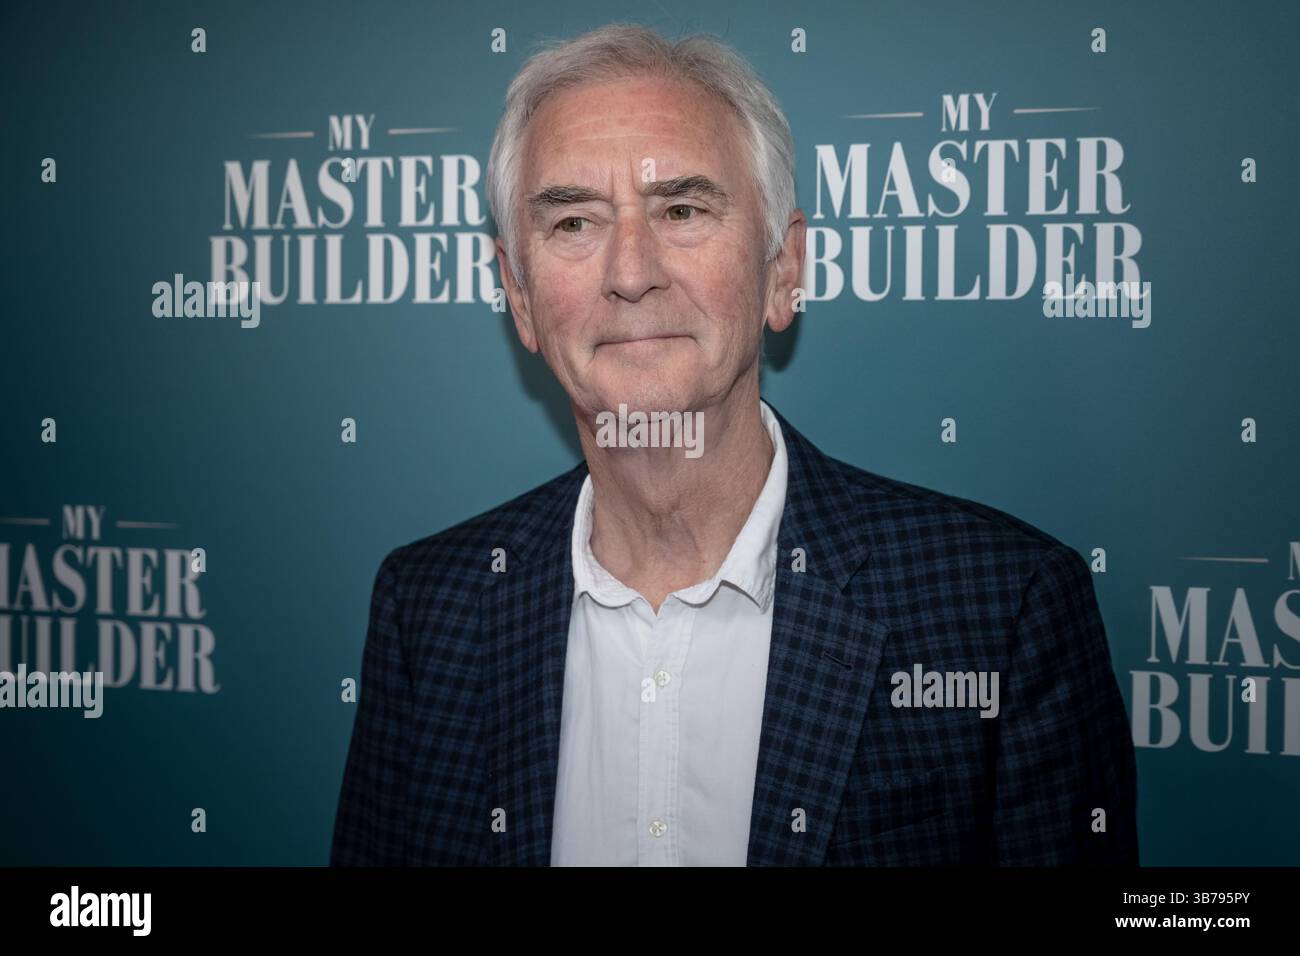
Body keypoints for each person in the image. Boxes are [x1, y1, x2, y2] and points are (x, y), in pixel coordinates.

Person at [331, 23, 1138, 866]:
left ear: (783, 270)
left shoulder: (1000, 609)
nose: (631, 271)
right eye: (574, 222)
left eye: (681, 210)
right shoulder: (428, 612)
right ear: (520, 297)